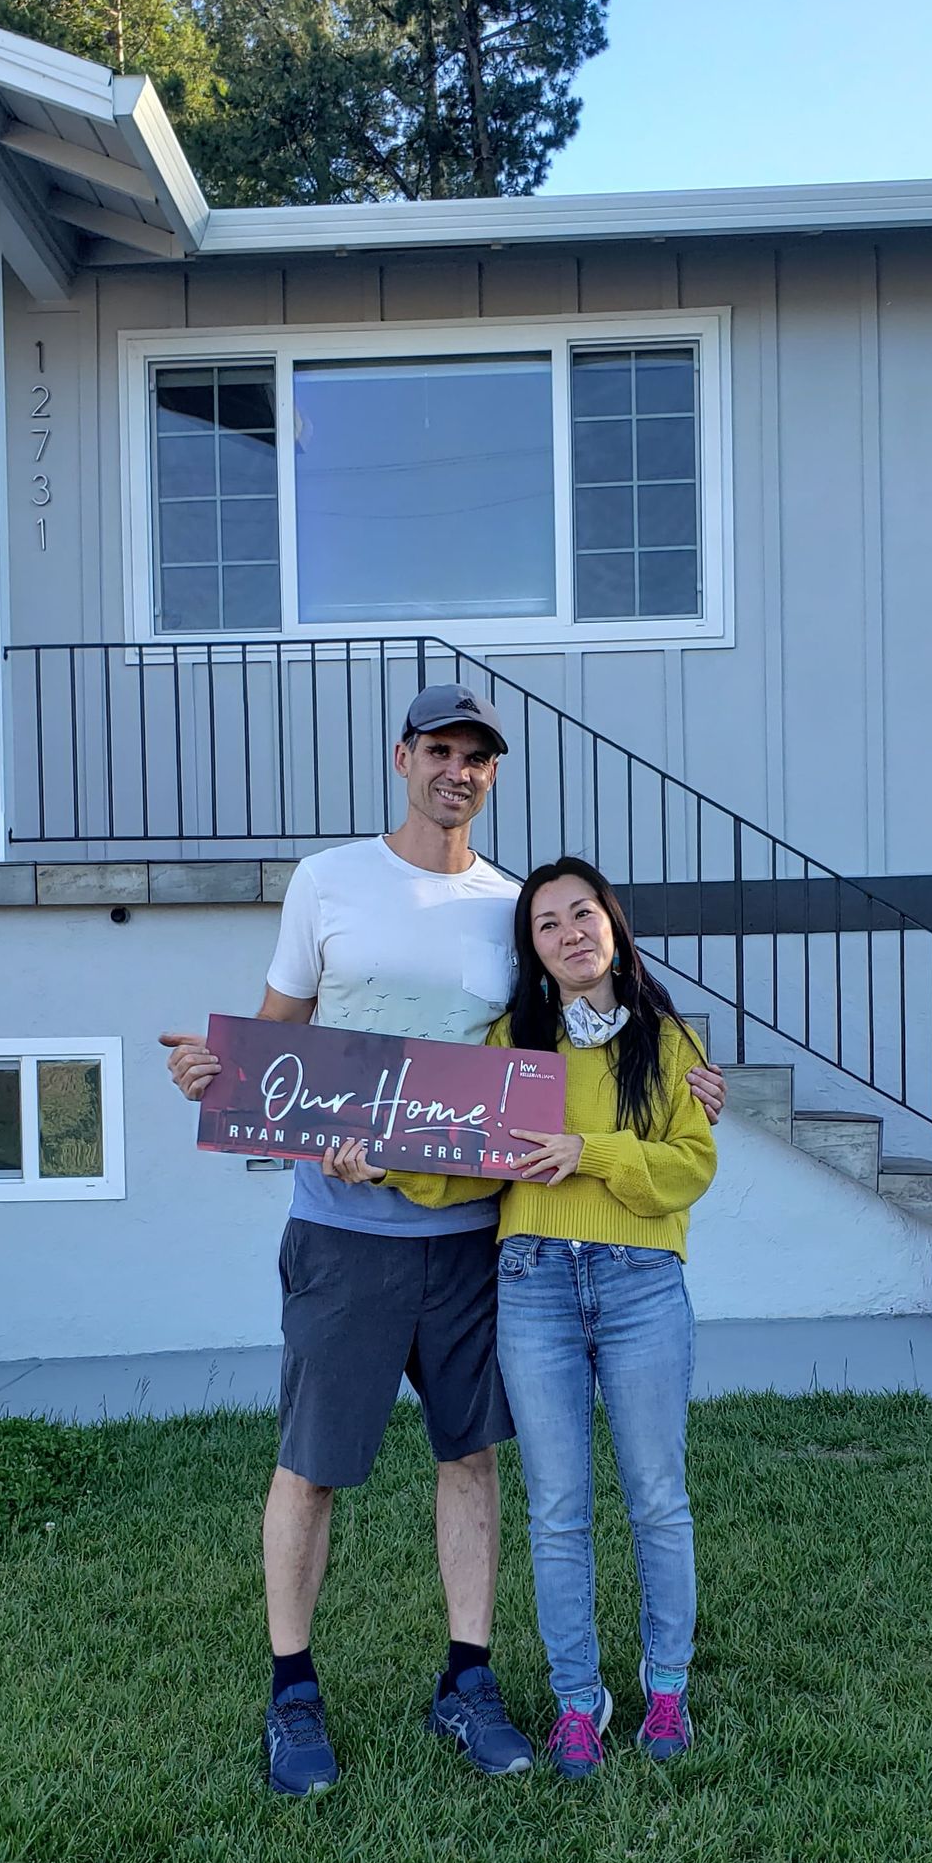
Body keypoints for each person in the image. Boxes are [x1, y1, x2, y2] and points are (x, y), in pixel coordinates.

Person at [160, 692, 726, 1798]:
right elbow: (280, 1034)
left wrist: (688, 1073)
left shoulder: (514, 907)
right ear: (403, 759)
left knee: (472, 1458)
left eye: (477, 757)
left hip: (480, 1238)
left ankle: (467, 1680)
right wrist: (215, 1077)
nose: (457, 770)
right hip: (345, 1229)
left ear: (492, 775)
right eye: (439, 751)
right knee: (313, 1464)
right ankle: (293, 1693)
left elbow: (559, 1045)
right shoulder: (329, 881)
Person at [330, 857, 717, 1782]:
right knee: (557, 1510)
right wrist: (385, 1165)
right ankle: (580, 1702)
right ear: (533, 952)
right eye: (548, 924)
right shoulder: (514, 1044)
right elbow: (470, 1164)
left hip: (640, 1282)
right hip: (533, 1284)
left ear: (614, 926)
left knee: (658, 1499)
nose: (570, 932)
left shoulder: (667, 1045)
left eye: (584, 913)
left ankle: (667, 1686)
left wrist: (591, 1150)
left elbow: (689, 1167)